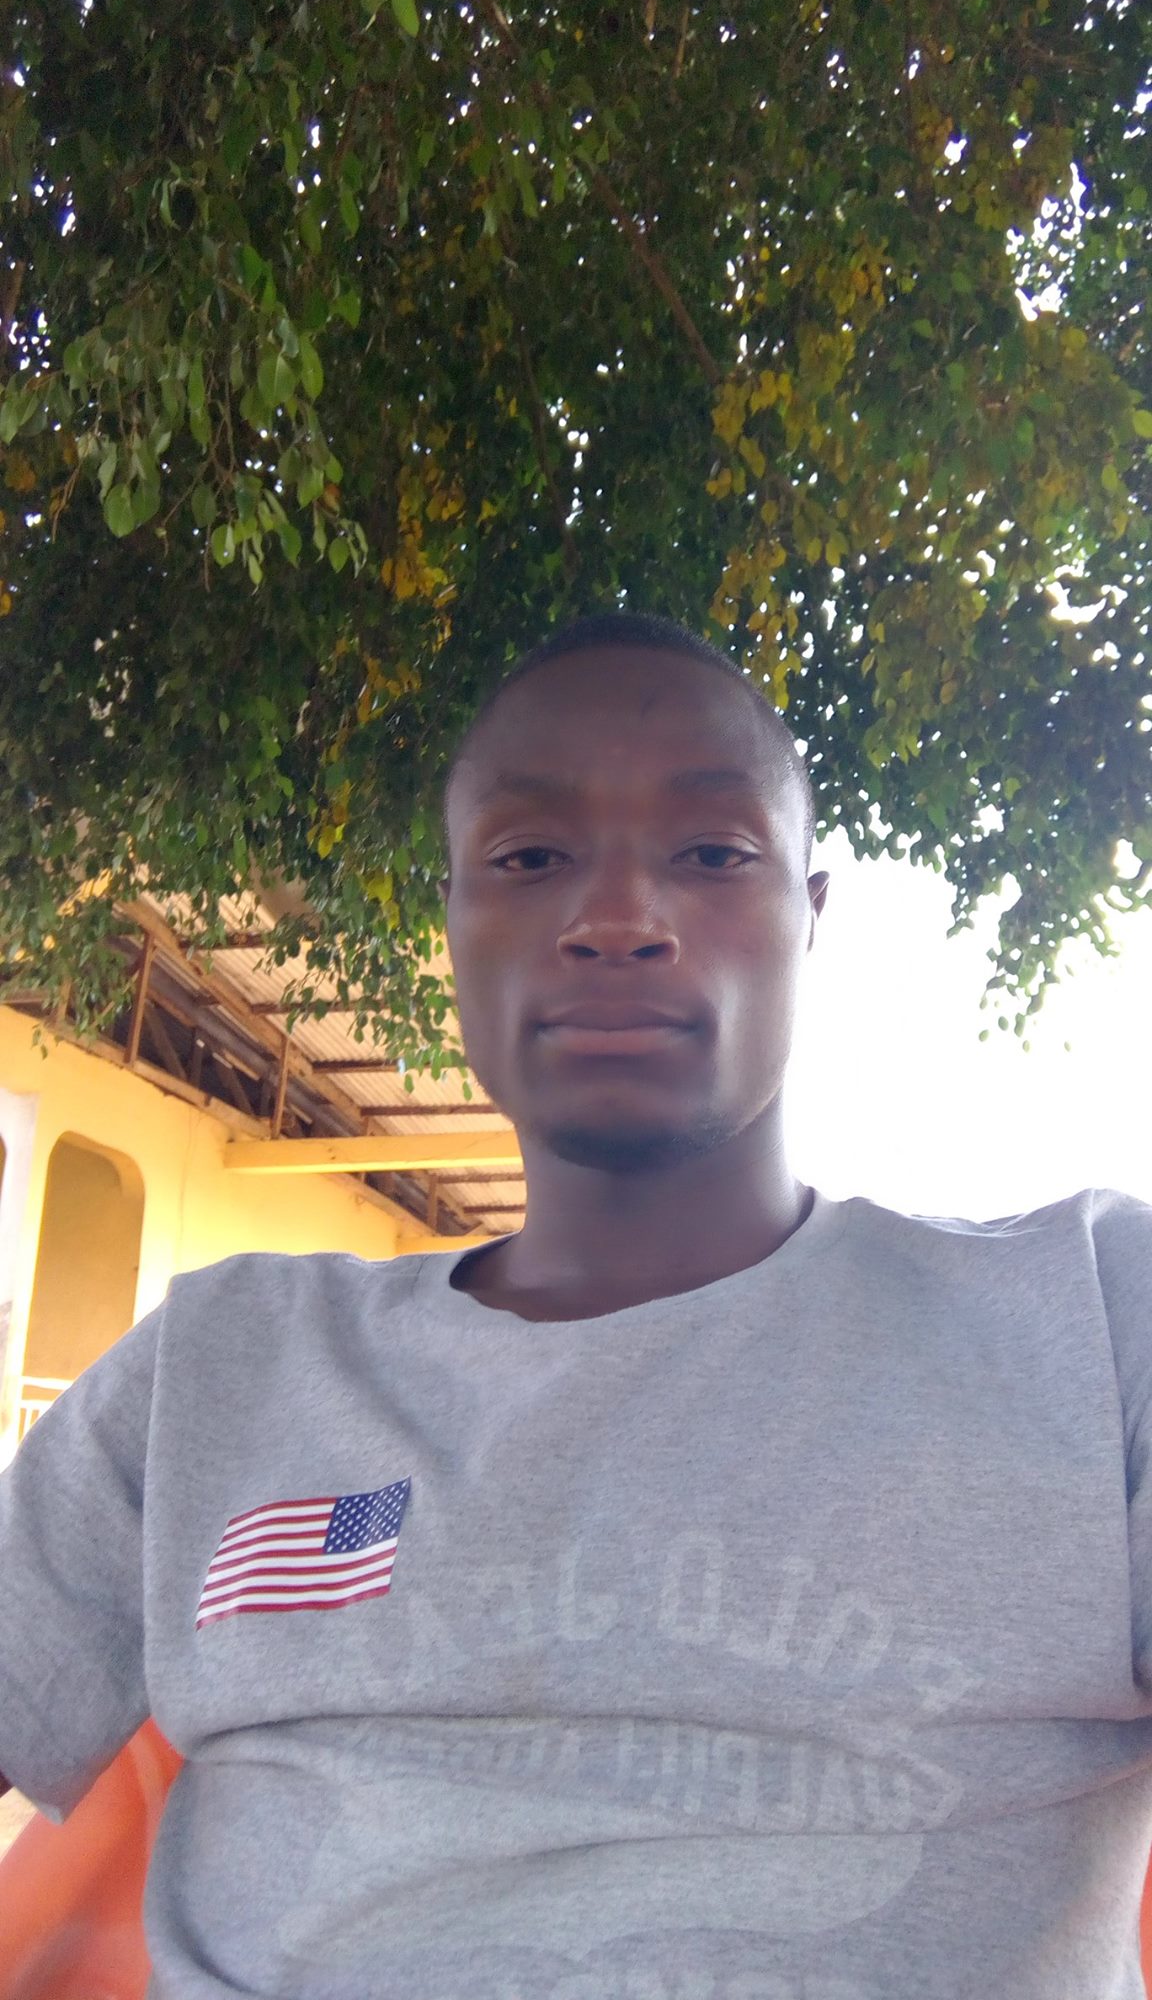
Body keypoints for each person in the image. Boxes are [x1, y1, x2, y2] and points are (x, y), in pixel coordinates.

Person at [1, 609, 1151, 2000]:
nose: (617, 921)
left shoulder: (1093, 1319)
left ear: (811, 915)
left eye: (713, 853)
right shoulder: (219, 1371)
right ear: (453, 919)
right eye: (531, 857)